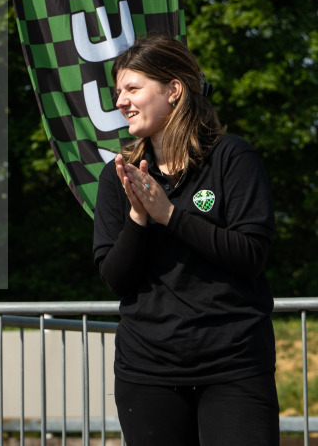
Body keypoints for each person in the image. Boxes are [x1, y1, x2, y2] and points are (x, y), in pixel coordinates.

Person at [93, 34, 278, 445]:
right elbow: (117, 279)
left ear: (174, 90)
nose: (121, 101)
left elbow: (251, 255)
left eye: (132, 88)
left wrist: (170, 216)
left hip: (234, 366)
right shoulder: (118, 177)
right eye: (118, 91)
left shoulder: (232, 157)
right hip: (147, 373)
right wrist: (140, 217)